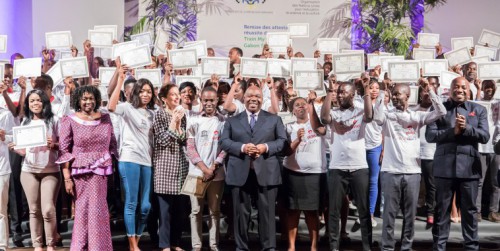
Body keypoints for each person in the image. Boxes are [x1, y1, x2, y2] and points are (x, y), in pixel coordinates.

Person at [372, 80, 446, 251]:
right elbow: (376, 117)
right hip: (391, 171)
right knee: (389, 215)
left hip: (413, 172)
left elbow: (441, 111)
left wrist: (429, 90)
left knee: (409, 215)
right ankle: (387, 247)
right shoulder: (388, 115)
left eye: (399, 94)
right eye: (395, 94)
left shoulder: (417, 116)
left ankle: (407, 246)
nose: (397, 97)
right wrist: (383, 92)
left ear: (408, 96)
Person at [220, 86, 288, 251]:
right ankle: (241, 247)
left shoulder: (274, 119)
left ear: (262, 99)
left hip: (266, 172)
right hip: (240, 173)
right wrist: (243, 147)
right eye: (249, 95)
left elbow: (282, 142)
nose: (253, 99)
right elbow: (224, 142)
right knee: (240, 215)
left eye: (257, 96)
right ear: (243, 99)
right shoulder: (232, 121)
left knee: (267, 214)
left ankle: (268, 247)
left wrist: (265, 147)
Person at [426, 77, 489, 251]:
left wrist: (467, 128)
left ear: (468, 90)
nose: (459, 90)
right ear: (450, 89)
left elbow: (485, 136)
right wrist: (451, 131)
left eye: (463, 87)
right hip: (444, 169)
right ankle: (438, 247)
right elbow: (430, 136)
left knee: (469, 212)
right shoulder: (439, 109)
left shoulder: (479, 110)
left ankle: (471, 247)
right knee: (442, 212)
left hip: (469, 170)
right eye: (456, 87)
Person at [57, 85, 117, 251]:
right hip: (80, 172)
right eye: (84, 99)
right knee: (82, 210)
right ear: (78, 100)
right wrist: (67, 177)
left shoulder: (105, 118)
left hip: (101, 171)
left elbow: (112, 143)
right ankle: (80, 247)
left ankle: (99, 247)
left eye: (91, 98)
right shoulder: (69, 120)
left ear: (97, 99)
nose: (88, 102)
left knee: (98, 209)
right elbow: (64, 149)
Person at [108, 62, 157, 250]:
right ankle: (133, 244)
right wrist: (121, 79)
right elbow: (111, 106)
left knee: (145, 207)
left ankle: (135, 238)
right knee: (131, 202)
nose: (146, 94)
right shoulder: (127, 108)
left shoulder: (153, 113)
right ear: (136, 92)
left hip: (147, 161)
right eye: (142, 91)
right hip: (129, 159)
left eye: (149, 91)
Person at [320, 76, 373, 251]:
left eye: (344, 92)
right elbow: (324, 118)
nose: (340, 95)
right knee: (334, 211)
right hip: (337, 167)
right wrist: (329, 92)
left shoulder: (359, 111)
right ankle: (334, 246)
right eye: (339, 92)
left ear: (353, 94)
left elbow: (370, 115)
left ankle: (367, 246)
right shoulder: (334, 113)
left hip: (359, 167)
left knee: (364, 211)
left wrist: (366, 92)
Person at [8, 89, 61, 251]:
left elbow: (65, 145)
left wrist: (53, 145)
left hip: (50, 170)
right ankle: (37, 246)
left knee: (48, 210)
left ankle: (51, 244)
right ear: (28, 104)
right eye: (32, 101)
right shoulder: (25, 122)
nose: (35, 104)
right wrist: (16, 148)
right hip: (28, 170)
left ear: (44, 102)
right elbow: (25, 151)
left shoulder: (54, 120)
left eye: (38, 100)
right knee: (34, 210)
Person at [283, 96, 326, 251]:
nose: (301, 107)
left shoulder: (316, 124)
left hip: (314, 174)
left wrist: (312, 104)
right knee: (292, 212)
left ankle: (314, 246)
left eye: (303, 104)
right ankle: (291, 246)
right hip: (293, 173)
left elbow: (320, 129)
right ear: (292, 110)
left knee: (312, 212)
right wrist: (297, 140)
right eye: (297, 105)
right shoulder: (288, 127)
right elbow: (285, 151)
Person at [186, 87, 226, 251]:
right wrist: (204, 168)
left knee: (214, 211)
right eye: (205, 100)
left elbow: (225, 147)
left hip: (217, 174)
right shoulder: (193, 119)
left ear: (217, 100)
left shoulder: (223, 121)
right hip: (196, 174)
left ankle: (213, 244)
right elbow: (190, 148)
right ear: (201, 100)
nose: (209, 103)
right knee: (195, 211)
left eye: (212, 100)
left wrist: (214, 165)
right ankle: (196, 245)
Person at [152, 83, 189, 251]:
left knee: (180, 211)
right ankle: (164, 244)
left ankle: (175, 242)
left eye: (177, 94)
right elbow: (163, 140)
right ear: (164, 99)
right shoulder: (159, 115)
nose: (176, 97)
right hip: (164, 165)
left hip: (180, 166)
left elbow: (183, 141)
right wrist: (173, 122)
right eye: (172, 94)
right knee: (164, 211)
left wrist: (179, 124)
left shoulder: (183, 115)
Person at [473, 80, 500, 222]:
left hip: (496, 148)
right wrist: (477, 90)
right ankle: (477, 211)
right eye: (486, 88)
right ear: (482, 89)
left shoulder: (498, 103)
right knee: (479, 181)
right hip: (482, 147)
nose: (489, 90)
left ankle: (493, 212)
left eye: (491, 87)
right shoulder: (479, 104)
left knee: (496, 182)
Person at [0, 86, 16, 251]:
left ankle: (2, 244)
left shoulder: (5, 114)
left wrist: (4, 137)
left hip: (1, 167)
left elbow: (15, 136)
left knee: (0, 209)